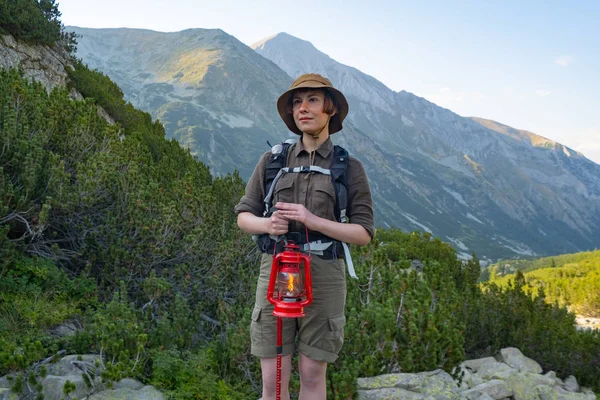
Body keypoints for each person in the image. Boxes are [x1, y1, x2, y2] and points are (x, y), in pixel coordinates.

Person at [234, 73, 374, 400]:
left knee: (312, 374)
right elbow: (243, 216)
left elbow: (363, 232)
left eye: (312, 100)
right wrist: (267, 225)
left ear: (331, 109)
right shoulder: (272, 161)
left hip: (325, 273)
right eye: (297, 102)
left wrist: (314, 221)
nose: (302, 109)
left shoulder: (348, 167)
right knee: (273, 379)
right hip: (276, 270)